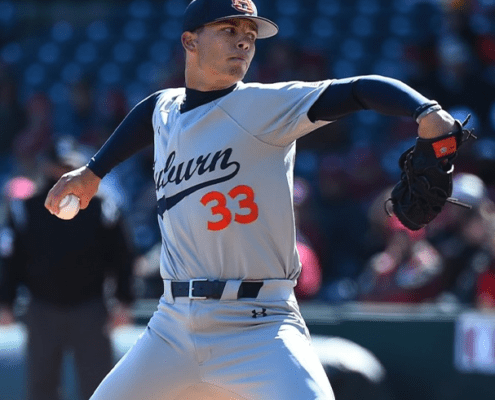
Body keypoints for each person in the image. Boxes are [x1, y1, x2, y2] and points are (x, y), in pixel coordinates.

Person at [44, 1, 464, 399]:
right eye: (229, 30)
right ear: (190, 41)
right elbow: (148, 112)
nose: (244, 41)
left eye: (250, 33)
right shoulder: (164, 110)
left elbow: (357, 90)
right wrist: (92, 172)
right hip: (173, 324)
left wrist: (423, 109)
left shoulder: (264, 105)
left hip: (260, 323)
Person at [0, 137, 135, 400]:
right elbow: (9, 259)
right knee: (40, 387)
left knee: (98, 386)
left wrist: (123, 300)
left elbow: (122, 255)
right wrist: (5, 302)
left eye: (67, 168)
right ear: (45, 168)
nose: (61, 174)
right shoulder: (25, 209)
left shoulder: (102, 208)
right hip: (42, 309)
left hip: (90, 308)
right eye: (56, 167)